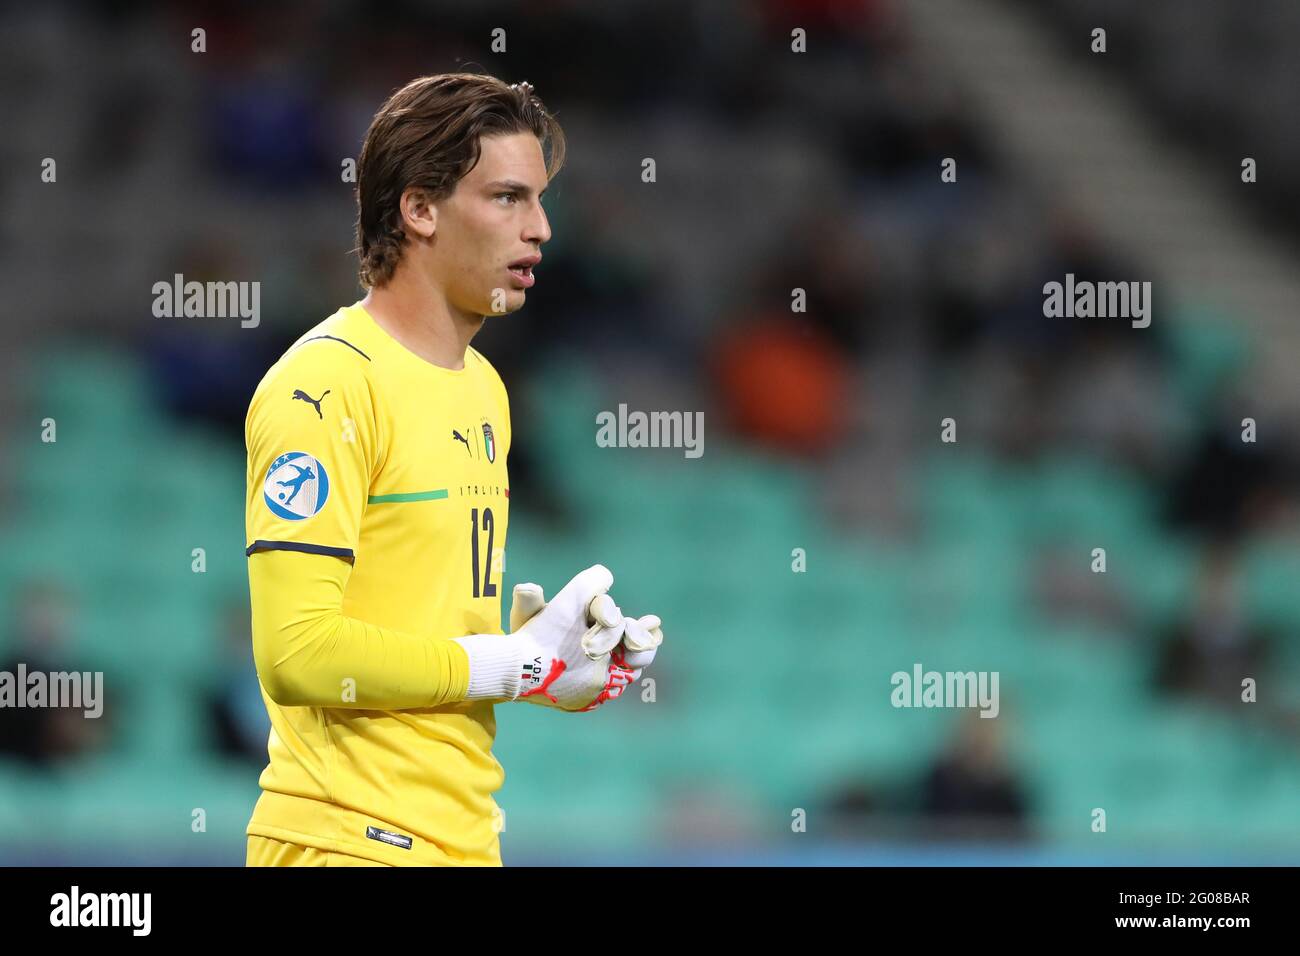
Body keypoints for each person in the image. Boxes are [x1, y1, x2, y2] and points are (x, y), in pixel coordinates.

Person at [243, 73, 663, 867]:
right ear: (420, 208)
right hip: (348, 840)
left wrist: (542, 666)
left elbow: (421, 638)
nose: (540, 228)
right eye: (507, 197)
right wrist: (499, 665)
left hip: (461, 842)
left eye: (540, 200)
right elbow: (297, 655)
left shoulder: (486, 391)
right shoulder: (325, 385)